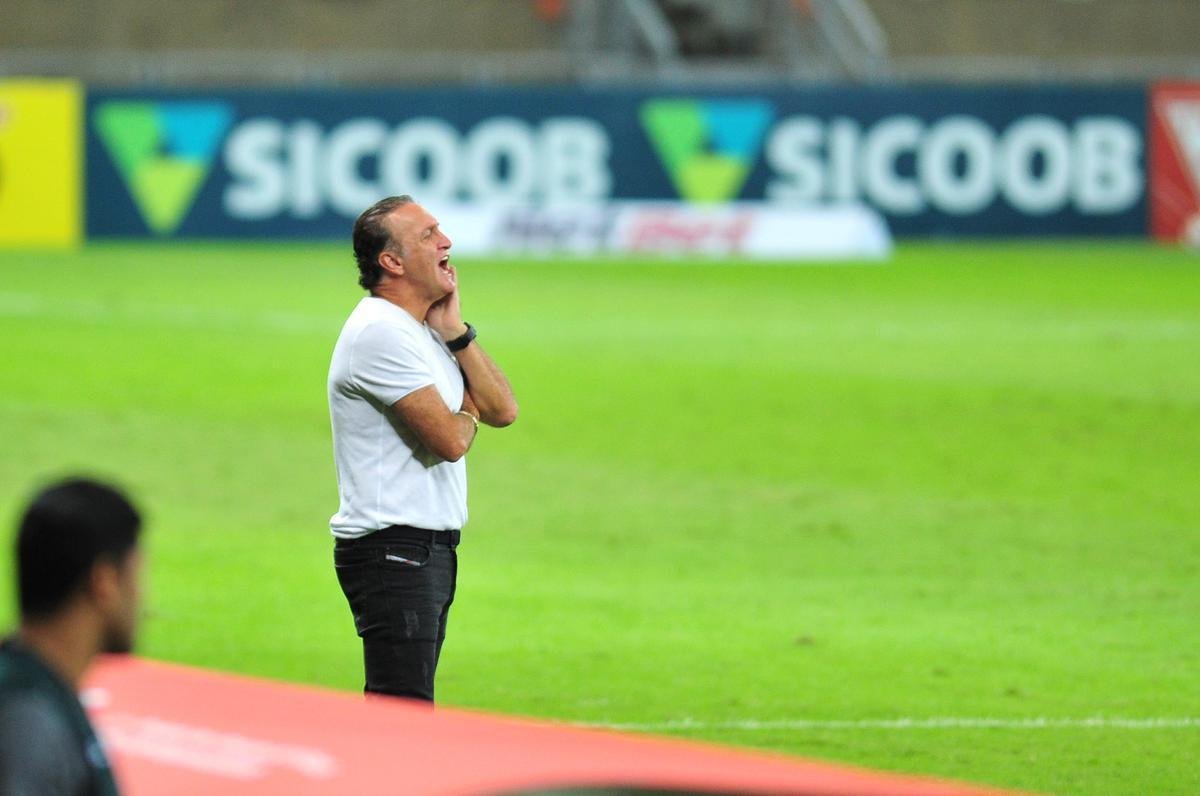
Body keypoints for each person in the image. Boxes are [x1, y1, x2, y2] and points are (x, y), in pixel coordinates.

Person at [328, 195, 518, 703]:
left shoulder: (424, 330)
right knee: (402, 715)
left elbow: (503, 409)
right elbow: (453, 441)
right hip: (392, 549)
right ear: (391, 262)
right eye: (428, 234)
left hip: (422, 548)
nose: (446, 241)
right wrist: (468, 410)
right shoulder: (379, 333)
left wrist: (456, 333)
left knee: (404, 711)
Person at [0, 477, 144, 795]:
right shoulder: (30, 725)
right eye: (136, 577)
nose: (142, 598)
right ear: (104, 582)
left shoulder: (32, 687)